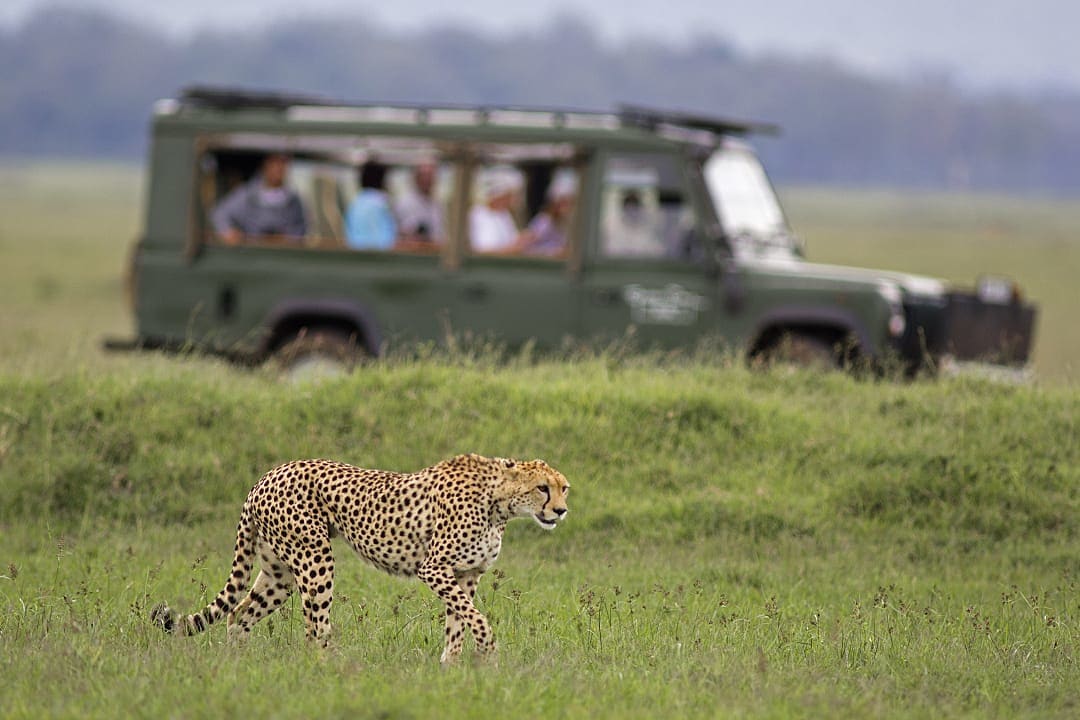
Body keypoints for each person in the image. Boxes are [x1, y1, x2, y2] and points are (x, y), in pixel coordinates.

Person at [212, 153, 307, 244]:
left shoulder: (294, 200)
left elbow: (299, 231)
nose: (278, 168)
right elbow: (220, 214)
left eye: (283, 163)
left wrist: (286, 239)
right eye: (274, 162)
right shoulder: (247, 194)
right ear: (265, 165)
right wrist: (228, 232)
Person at [519, 171, 576, 257]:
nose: (566, 207)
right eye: (563, 203)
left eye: (569, 203)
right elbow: (523, 245)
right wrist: (552, 252)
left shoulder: (564, 222)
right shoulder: (544, 221)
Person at [469, 167, 525, 253]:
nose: (512, 200)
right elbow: (484, 251)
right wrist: (512, 249)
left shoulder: (504, 214)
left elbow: (512, 241)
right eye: (508, 196)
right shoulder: (480, 214)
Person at [345, 160, 397, 250]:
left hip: (356, 257)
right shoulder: (382, 203)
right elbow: (387, 239)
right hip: (380, 259)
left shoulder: (355, 203)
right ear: (381, 180)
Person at [394, 161, 445, 245]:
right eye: (424, 176)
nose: (428, 180)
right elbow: (405, 234)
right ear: (416, 178)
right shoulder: (405, 203)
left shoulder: (437, 204)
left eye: (431, 177)